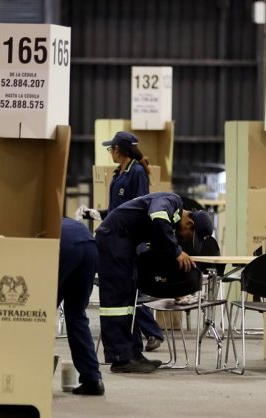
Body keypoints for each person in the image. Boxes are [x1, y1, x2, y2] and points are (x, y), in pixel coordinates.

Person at [95, 192, 213, 373]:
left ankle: (133, 354)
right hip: (113, 239)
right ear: (190, 223)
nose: (186, 239)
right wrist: (176, 251)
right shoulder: (171, 201)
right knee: (117, 302)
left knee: (130, 301)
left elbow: (158, 250)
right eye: (190, 235)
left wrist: (175, 285)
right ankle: (120, 358)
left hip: (124, 243)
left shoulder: (171, 223)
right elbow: (157, 217)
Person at [77, 131, 166, 352]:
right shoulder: (119, 174)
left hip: (127, 241)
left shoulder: (136, 173)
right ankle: (150, 331)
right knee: (123, 288)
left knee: (127, 289)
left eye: (112, 149)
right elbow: (118, 211)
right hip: (114, 237)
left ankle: (153, 331)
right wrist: (96, 213)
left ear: (119, 149)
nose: (111, 153)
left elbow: (141, 208)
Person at [57, 218, 104, 395]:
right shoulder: (58, 219)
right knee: (76, 314)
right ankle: (92, 379)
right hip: (90, 246)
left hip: (65, 246)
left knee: (39, 314)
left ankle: (31, 376)